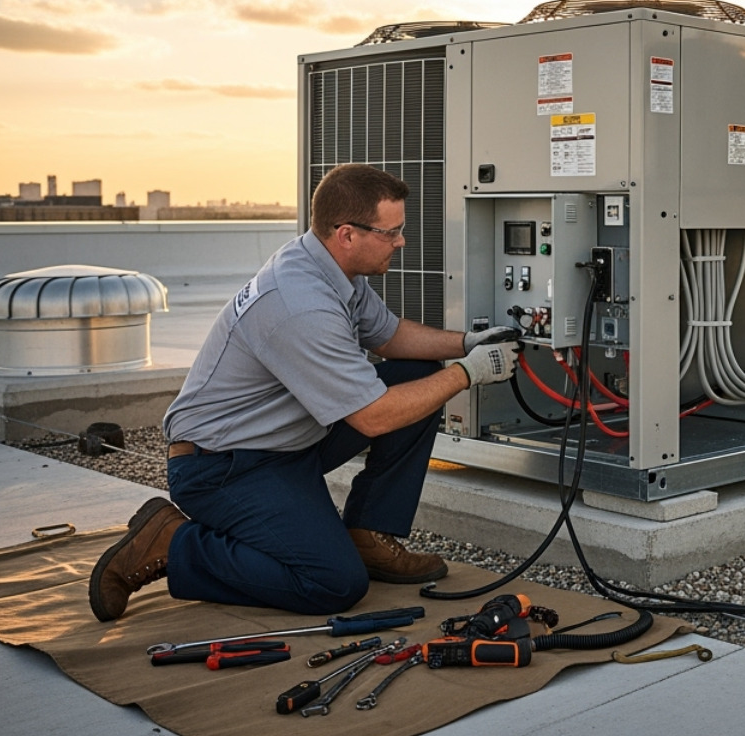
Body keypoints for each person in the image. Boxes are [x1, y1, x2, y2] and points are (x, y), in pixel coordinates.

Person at [88, 164, 521, 621]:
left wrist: (466, 344)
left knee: (416, 373)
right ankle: (172, 542)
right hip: (223, 465)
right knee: (333, 584)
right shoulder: (300, 304)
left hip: (284, 444)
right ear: (347, 234)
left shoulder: (331, 268)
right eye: (390, 232)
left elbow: (389, 336)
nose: (401, 241)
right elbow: (372, 417)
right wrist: (467, 374)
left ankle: (367, 534)